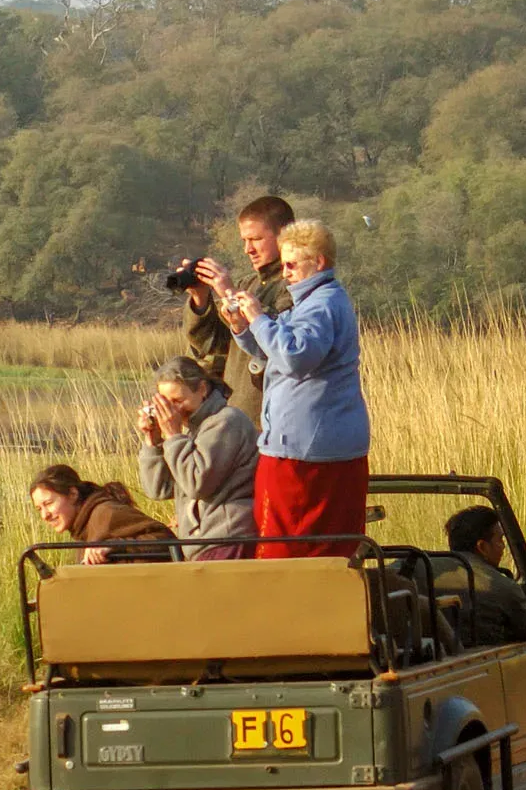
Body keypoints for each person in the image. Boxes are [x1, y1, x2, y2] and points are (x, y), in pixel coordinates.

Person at [216, 219, 370, 560]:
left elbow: (295, 357)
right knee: (327, 547)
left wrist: (257, 318)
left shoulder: (321, 305)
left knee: (283, 548)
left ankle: (286, 608)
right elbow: (272, 350)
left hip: (305, 454)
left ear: (318, 263)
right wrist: (243, 327)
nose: (284, 273)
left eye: (290, 265)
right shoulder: (314, 302)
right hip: (318, 447)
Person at [171, 194, 295, 430]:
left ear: (285, 234)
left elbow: (276, 338)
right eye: (244, 240)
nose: (248, 249)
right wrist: (201, 300)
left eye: (256, 239)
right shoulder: (249, 285)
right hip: (236, 417)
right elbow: (214, 347)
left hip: (275, 422)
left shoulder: (298, 286)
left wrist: (228, 292)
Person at [136, 355, 258, 560]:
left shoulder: (226, 422)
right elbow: (158, 489)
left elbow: (196, 483)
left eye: (178, 400)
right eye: (166, 403)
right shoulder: (194, 431)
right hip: (204, 543)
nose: (173, 411)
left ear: (202, 389)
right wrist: (153, 442)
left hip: (228, 540)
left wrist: (174, 436)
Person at [29, 464, 177, 564]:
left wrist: (115, 546)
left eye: (48, 504)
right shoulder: (82, 526)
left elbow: (167, 539)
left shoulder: (105, 513)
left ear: (73, 494)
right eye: (39, 509)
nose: (44, 515)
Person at [435, 506, 526, 647]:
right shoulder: (504, 587)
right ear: (482, 547)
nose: (503, 546)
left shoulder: (413, 569)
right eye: (500, 540)